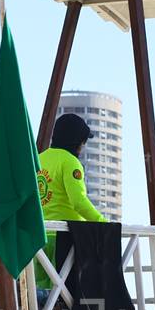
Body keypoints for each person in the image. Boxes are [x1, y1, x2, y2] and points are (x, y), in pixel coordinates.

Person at [37, 112, 106, 277]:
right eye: (83, 141)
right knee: (74, 295)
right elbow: (79, 202)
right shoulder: (70, 162)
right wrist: (103, 223)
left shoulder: (39, 159)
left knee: (44, 297)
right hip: (65, 241)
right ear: (77, 141)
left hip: (38, 239)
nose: (83, 146)